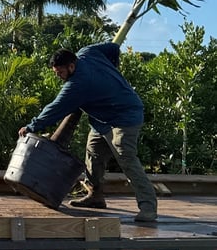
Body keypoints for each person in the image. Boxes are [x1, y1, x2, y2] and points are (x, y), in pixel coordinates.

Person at [18, 44, 158, 223]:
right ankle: (95, 196)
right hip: (101, 120)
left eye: (60, 72)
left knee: (126, 157)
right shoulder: (87, 52)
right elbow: (113, 48)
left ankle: (148, 207)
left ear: (71, 66)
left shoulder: (78, 84)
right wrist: (111, 70)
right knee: (93, 154)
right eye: (56, 73)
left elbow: (54, 109)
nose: (59, 77)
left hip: (125, 116)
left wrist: (31, 127)